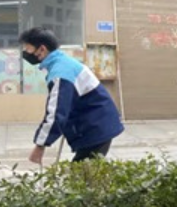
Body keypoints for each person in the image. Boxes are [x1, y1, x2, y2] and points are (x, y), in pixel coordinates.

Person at [19, 27, 124, 163]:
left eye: (28, 50)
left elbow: (56, 114)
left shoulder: (61, 73)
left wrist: (40, 146)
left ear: (42, 49)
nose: (26, 54)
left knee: (82, 177)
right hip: (97, 124)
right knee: (85, 175)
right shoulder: (62, 62)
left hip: (96, 128)